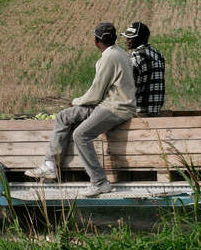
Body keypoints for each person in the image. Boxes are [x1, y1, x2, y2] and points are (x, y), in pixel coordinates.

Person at [25, 23, 136, 197]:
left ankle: (100, 182)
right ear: (114, 38)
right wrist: (79, 103)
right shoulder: (118, 53)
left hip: (116, 107)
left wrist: (76, 101)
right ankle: (50, 166)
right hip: (107, 103)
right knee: (63, 116)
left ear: (96, 40)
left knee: (81, 135)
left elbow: (96, 92)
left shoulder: (110, 57)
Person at [120, 22, 165, 116]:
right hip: (156, 111)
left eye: (130, 38)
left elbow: (130, 90)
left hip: (139, 112)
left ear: (139, 39)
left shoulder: (136, 58)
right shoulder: (158, 54)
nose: (127, 40)